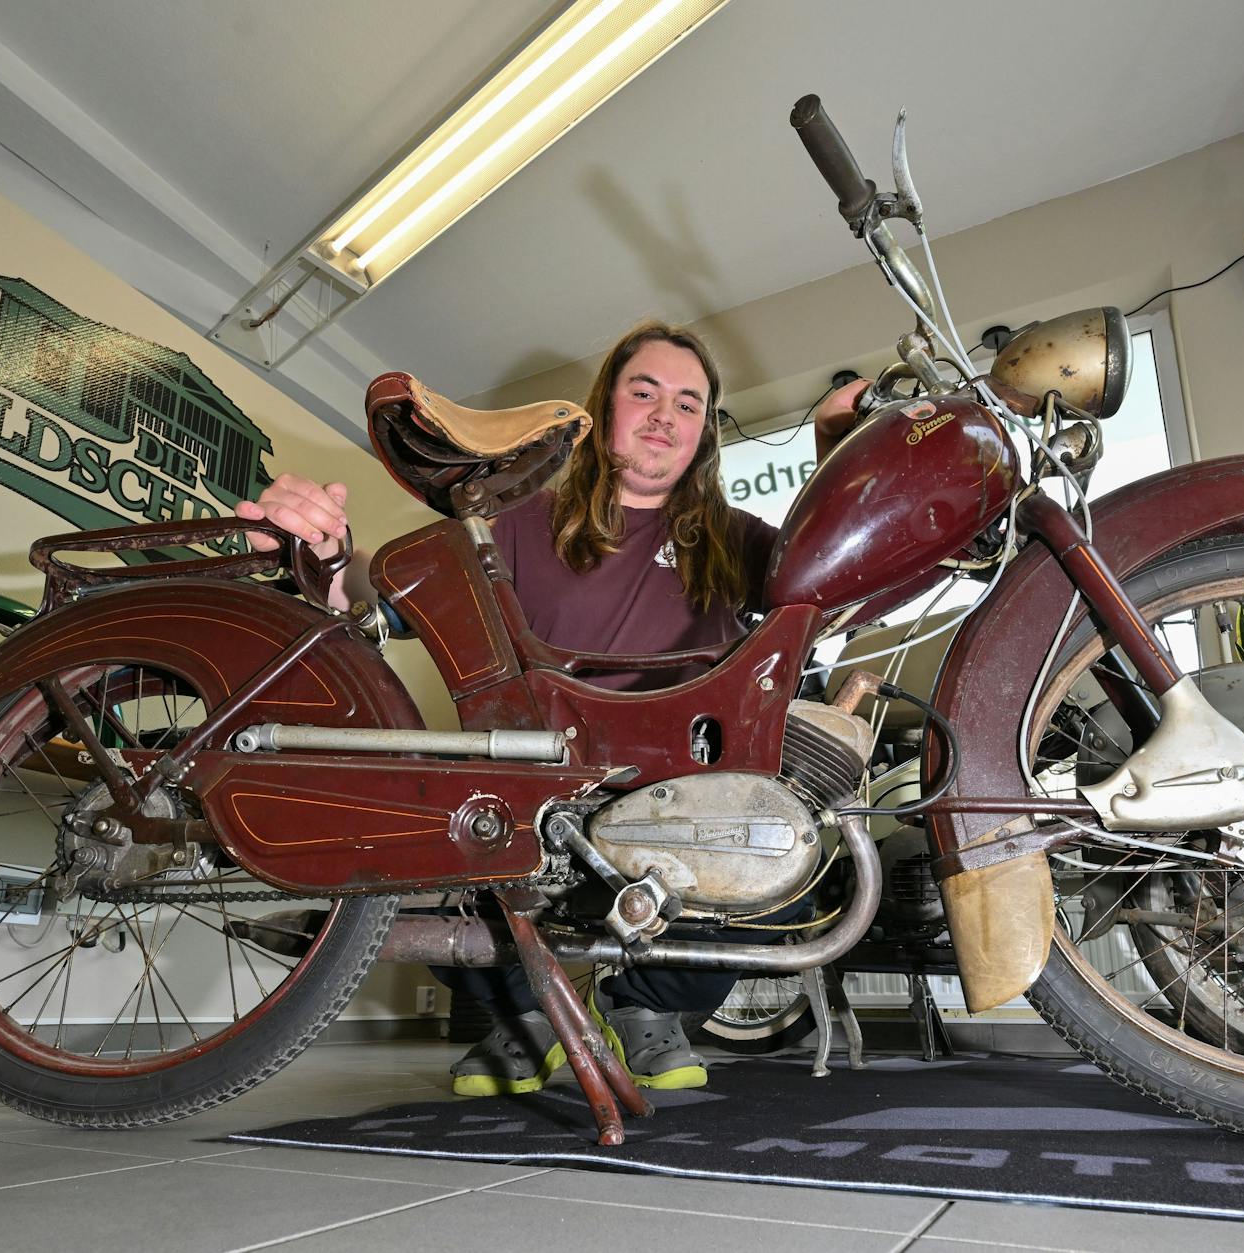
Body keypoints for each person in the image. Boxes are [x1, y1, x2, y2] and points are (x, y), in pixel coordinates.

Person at [240, 321, 866, 1097]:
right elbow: (392, 593)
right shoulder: (521, 523)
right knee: (418, 831)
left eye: (689, 403)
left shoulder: (738, 543)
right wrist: (325, 554)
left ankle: (648, 1011)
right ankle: (529, 1013)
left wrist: (837, 457)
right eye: (644, 392)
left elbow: (842, 584)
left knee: (778, 837)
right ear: (605, 409)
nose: (665, 414)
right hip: (534, 790)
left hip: (677, 797)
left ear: (705, 433)